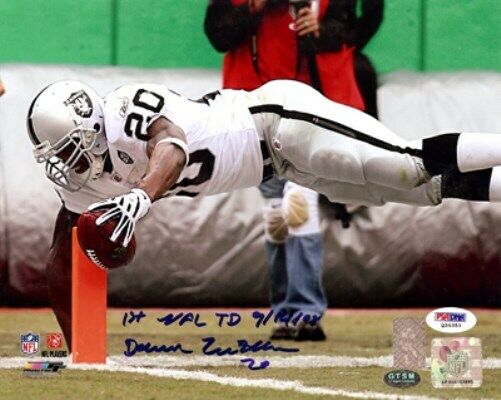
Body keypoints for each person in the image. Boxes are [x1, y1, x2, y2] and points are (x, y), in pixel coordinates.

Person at [27, 79, 501, 350]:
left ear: (89, 125)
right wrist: (78, 347)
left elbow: (171, 146)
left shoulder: (124, 109)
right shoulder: (81, 180)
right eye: (55, 155)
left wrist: (143, 195)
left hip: (278, 120)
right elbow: (62, 256)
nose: (65, 164)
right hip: (283, 166)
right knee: (419, 190)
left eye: (67, 148)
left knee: (403, 164)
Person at [204, 0, 367, 340]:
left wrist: (321, 30)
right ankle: (286, 312)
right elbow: (217, 36)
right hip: (251, 111)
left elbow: (353, 30)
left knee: (299, 206)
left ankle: (305, 312)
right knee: (276, 214)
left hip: (305, 109)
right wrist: (254, 7)